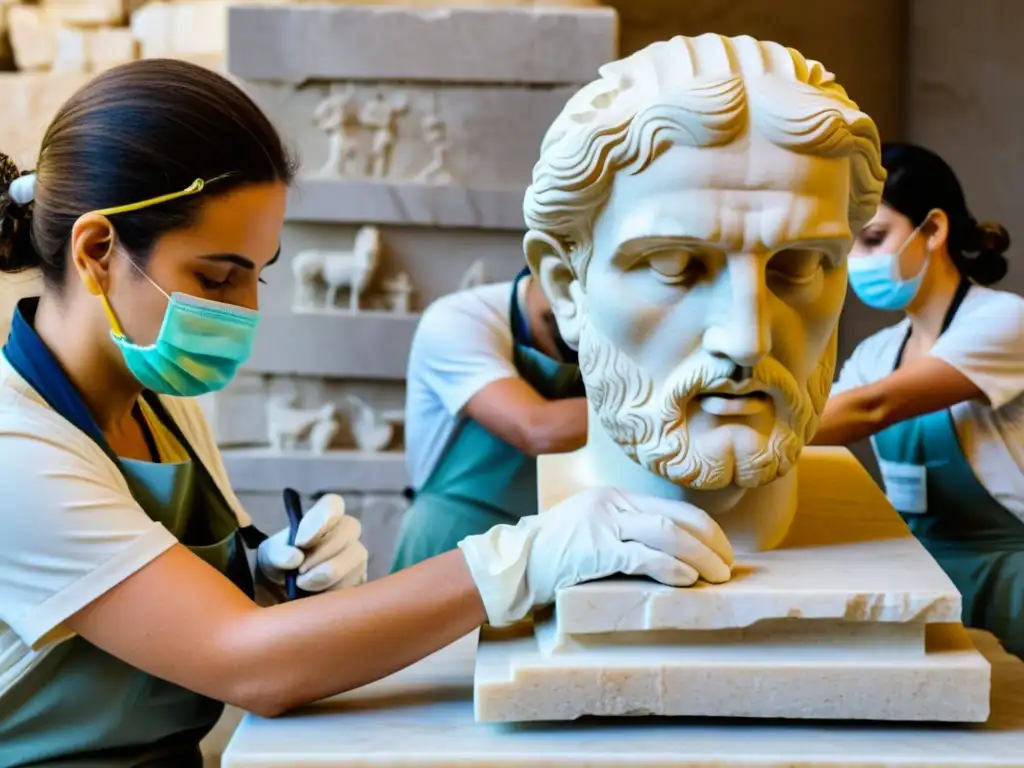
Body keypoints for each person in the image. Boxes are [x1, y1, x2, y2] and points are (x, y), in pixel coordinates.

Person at [0, 59, 736, 767]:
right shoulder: (16, 450)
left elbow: (174, 607)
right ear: (98, 250)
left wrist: (266, 569)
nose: (248, 311)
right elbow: (246, 663)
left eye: (259, 275)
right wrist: (521, 560)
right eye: (218, 277)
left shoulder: (155, 402)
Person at [813, 142, 1024, 657]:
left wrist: (730, 436)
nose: (857, 262)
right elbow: (817, 429)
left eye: (874, 239)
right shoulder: (876, 353)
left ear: (933, 230)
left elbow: (869, 410)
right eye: (849, 247)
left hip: (1012, 577)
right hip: (928, 574)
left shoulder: (1005, 321)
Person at [389, 267, 587, 571]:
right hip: (450, 546)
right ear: (545, 263)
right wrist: (663, 409)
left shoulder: (604, 337)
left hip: (546, 550)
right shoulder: (457, 320)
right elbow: (536, 429)